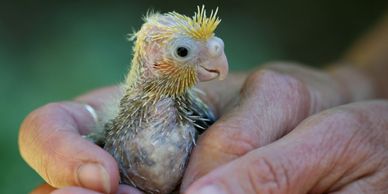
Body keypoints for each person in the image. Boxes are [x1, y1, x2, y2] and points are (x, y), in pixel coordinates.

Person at [20, 13, 388, 194]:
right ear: (150, 58)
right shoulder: (113, 130)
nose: (215, 62)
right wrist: (359, 81)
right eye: (183, 52)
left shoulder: (202, 120)